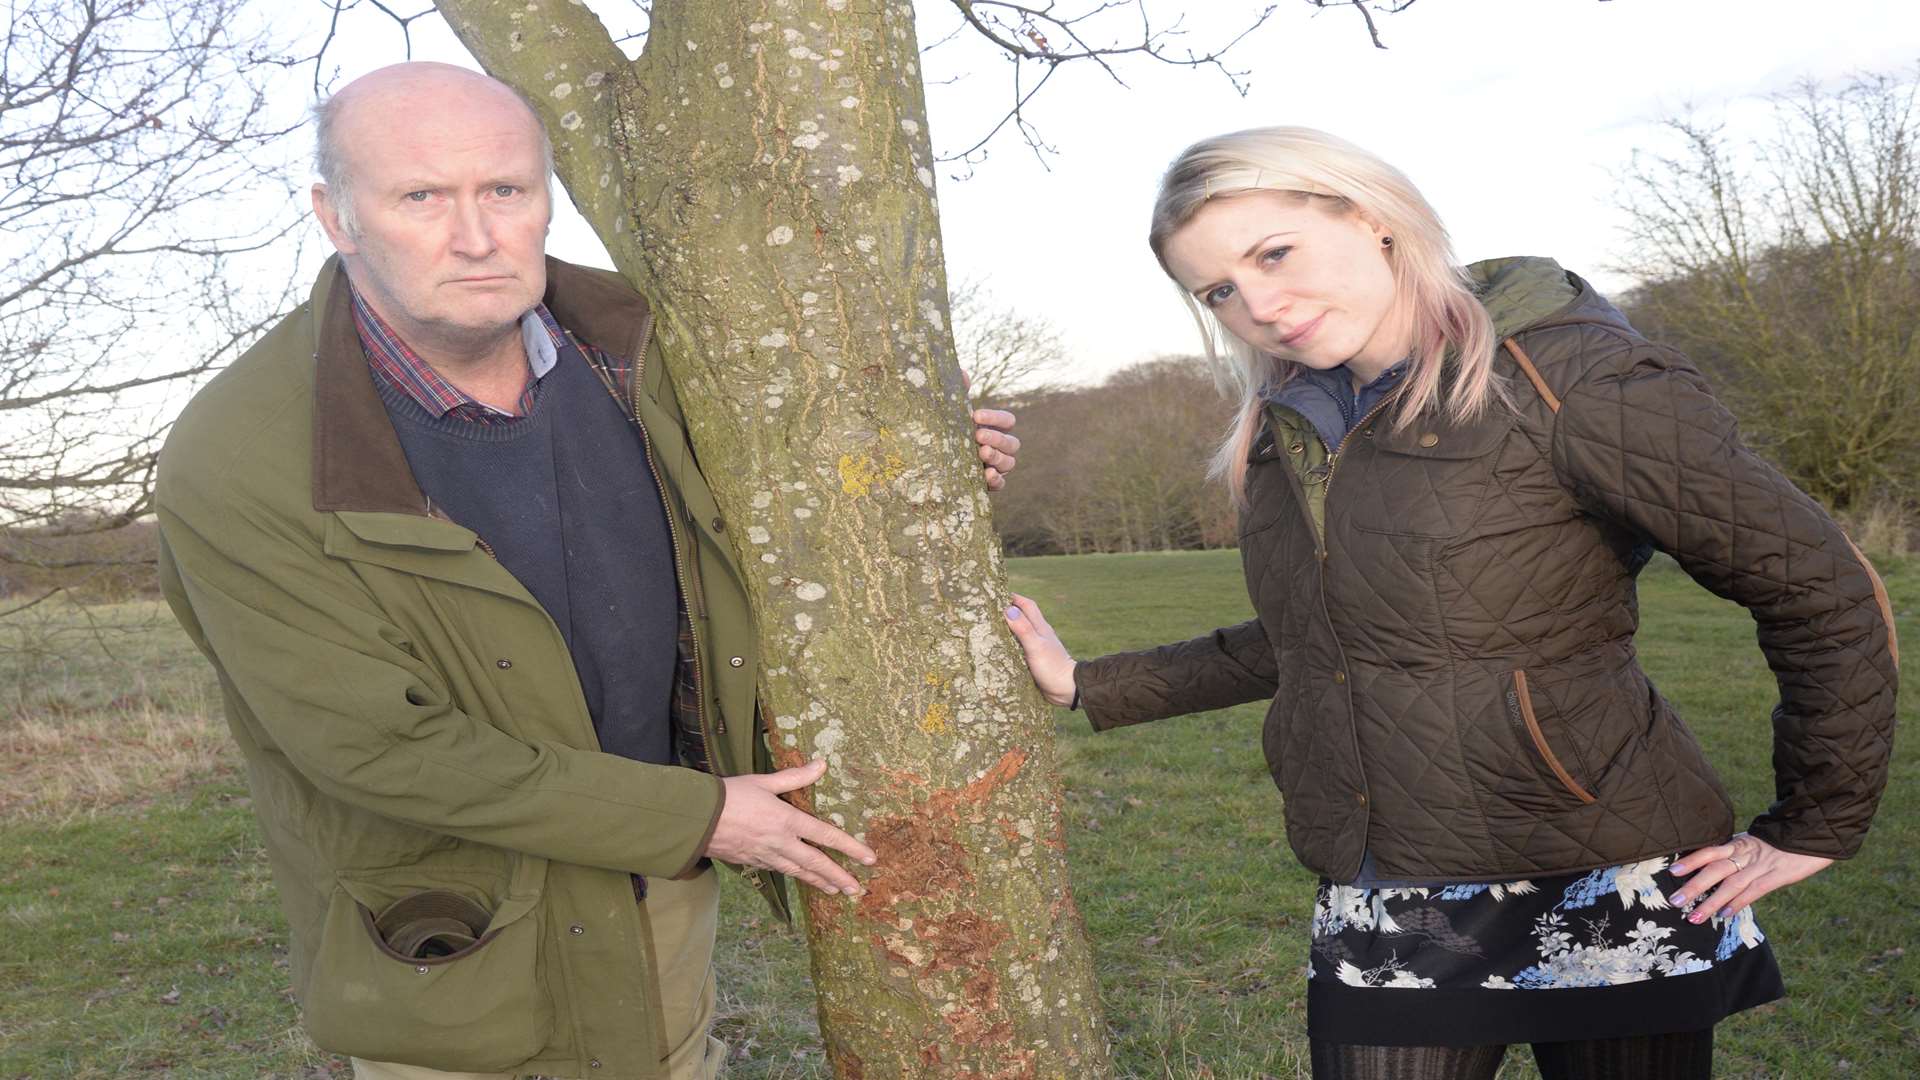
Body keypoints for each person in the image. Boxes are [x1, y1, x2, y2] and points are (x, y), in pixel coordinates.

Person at [155, 62, 1019, 1080]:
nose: (476, 235)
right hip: (459, 946)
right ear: (337, 217)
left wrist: (907, 464)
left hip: (667, 890)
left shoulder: (652, 350)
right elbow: (376, 749)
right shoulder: (242, 451)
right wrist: (697, 816)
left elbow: (773, 513)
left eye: (506, 191)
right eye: (421, 197)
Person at [1003, 126, 1898, 1080]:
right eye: (1218, 290)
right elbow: (1328, 637)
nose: (1258, 304)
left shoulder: (1572, 376)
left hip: (1604, 870)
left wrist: (1817, 821)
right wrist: (1091, 683)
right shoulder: (1288, 426)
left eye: (1274, 254)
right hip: (1389, 888)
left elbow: (1814, 583)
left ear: (1372, 219)